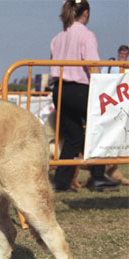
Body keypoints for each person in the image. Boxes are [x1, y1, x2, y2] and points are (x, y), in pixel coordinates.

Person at [49, 0, 121, 192]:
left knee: (73, 136)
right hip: (79, 88)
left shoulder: (58, 37)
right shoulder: (86, 35)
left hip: (59, 89)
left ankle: (61, 181)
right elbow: (92, 64)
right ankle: (97, 176)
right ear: (86, 13)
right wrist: (102, 87)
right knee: (101, 126)